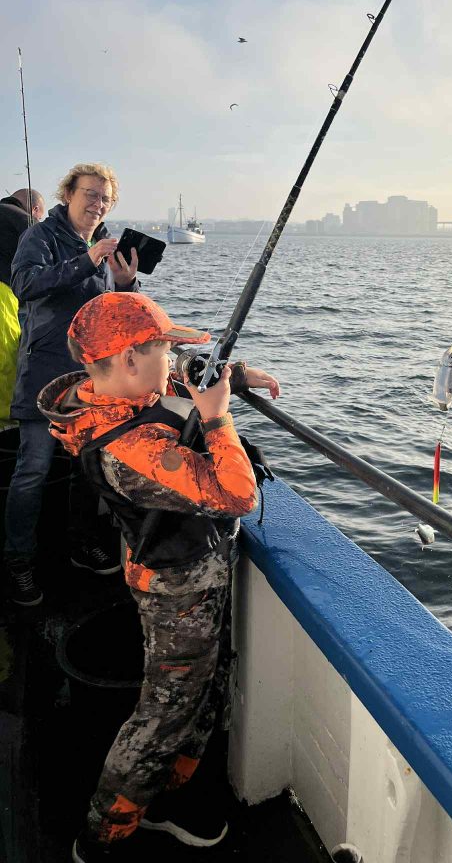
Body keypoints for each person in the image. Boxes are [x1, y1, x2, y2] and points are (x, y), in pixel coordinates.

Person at [37, 291, 280, 862]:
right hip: (180, 592)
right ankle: (102, 836)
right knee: (162, 715)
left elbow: (168, 391)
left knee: (197, 695)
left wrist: (233, 374)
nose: (172, 359)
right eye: (164, 349)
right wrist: (218, 416)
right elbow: (238, 494)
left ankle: (169, 799)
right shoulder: (129, 450)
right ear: (127, 359)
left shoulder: (116, 392)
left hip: (186, 575)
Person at [4, 164, 139, 606]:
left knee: (88, 469)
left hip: (90, 381)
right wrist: (88, 259)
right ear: (68, 194)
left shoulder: (101, 248)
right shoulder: (39, 237)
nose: (97, 203)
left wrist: (125, 284)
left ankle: (81, 543)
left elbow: (111, 314)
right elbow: (25, 284)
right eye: (91, 194)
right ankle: (19, 561)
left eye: (105, 199)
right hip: (44, 375)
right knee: (33, 471)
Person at [0, 187, 45, 424]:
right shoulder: (24, 221)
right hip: (2, 295)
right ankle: (7, 424)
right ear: (35, 209)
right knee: (6, 360)